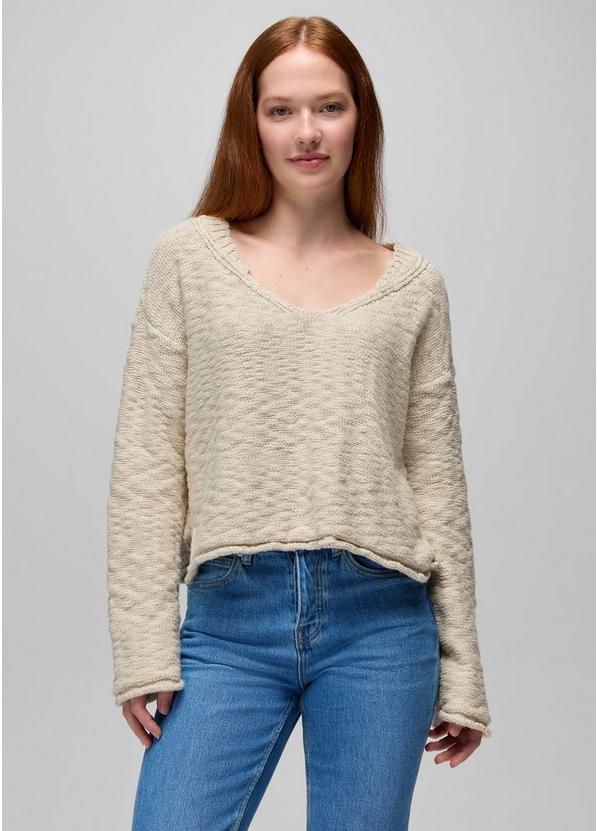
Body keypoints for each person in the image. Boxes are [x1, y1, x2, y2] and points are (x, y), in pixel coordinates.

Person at [106, 15, 492, 831]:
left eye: (329, 107)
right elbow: (147, 461)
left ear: (360, 119)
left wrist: (462, 669)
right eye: (281, 110)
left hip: (382, 621)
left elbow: (437, 481)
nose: (307, 132)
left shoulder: (414, 286)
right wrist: (142, 644)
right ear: (250, 124)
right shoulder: (187, 260)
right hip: (230, 618)